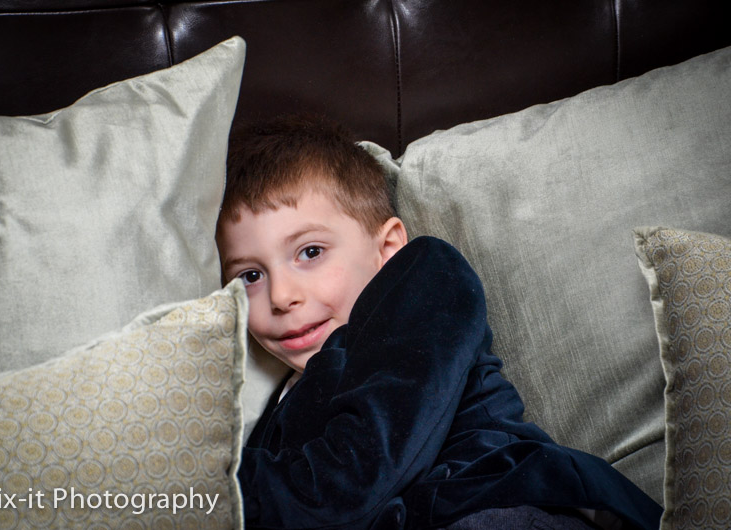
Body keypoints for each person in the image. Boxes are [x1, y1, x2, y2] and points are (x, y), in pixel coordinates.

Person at [215, 114, 663, 530]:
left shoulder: (421, 280)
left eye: (310, 252)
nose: (281, 296)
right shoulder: (266, 412)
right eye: (250, 276)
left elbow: (357, 480)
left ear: (388, 248)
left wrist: (199, 486)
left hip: (492, 501)